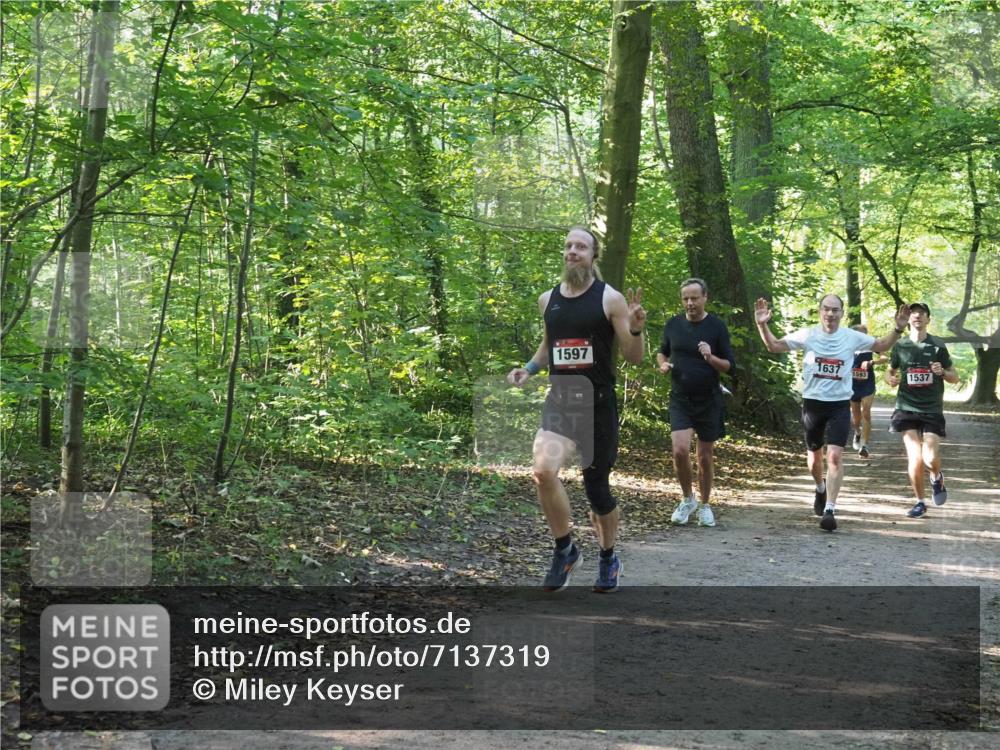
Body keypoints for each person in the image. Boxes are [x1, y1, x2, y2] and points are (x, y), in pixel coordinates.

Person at [507, 226, 646, 592]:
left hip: (598, 406)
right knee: (542, 472)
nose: (572, 252)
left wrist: (635, 330)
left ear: (593, 255)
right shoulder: (547, 299)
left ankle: (607, 555)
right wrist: (530, 368)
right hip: (561, 400)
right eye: (568, 246)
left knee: (596, 489)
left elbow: (634, 358)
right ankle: (565, 548)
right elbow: (548, 344)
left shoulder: (610, 299)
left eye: (580, 247)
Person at [755, 295, 909, 531]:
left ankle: (830, 509)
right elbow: (773, 346)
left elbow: (882, 346)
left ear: (842, 313)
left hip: (839, 404)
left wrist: (898, 328)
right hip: (813, 404)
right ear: (820, 312)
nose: (830, 314)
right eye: (826, 309)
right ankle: (820, 487)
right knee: (814, 458)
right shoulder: (808, 335)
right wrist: (762, 324)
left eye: (835, 310)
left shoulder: (851, 336)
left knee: (835, 457)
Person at [656, 278, 735, 528]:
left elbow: (728, 366)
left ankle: (705, 505)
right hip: (680, 398)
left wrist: (710, 357)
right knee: (679, 450)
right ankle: (687, 499)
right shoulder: (674, 324)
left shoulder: (717, 327)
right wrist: (662, 364)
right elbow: (662, 351)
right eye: (685, 299)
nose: (690, 303)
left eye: (694, 298)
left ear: (705, 298)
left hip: (709, 399)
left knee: (704, 457)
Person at [884, 302, 959, 518]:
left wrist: (942, 372)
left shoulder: (937, 345)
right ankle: (919, 501)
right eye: (913, 313)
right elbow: (890, 371)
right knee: (914, 457)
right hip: (906, 406)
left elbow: (955, 377)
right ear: (908, 319)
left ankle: (936, 476)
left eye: (921, 313)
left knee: (930, 458)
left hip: (931, 408)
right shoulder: (900, 345)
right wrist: (890, 379)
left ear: (928, 319)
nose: (917, 315)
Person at [849, 324, 888, 459]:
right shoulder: (847, 345)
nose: (864, 337)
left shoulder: (871, 344)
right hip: (851, 384)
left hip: (867, 383)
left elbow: (885, 358)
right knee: (856, 415)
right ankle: (857, 432)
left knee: (866, 412)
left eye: (865, 334)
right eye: (861, 334)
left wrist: (872, 362)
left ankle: (864, 445)